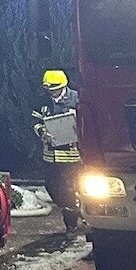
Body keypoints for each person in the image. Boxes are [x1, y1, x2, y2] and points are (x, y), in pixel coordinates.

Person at [36, 68, 81, 234]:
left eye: (54, 90)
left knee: (68, 190)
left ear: (63, 87)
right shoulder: (43, 102)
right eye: (49, 90)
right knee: (52, 187)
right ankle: (74, 207)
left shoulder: (76, 99)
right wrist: (42, 132)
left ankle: (72, 226)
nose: (52, 93)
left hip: (71, 156)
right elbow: (35, 120)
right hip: (50, 156)